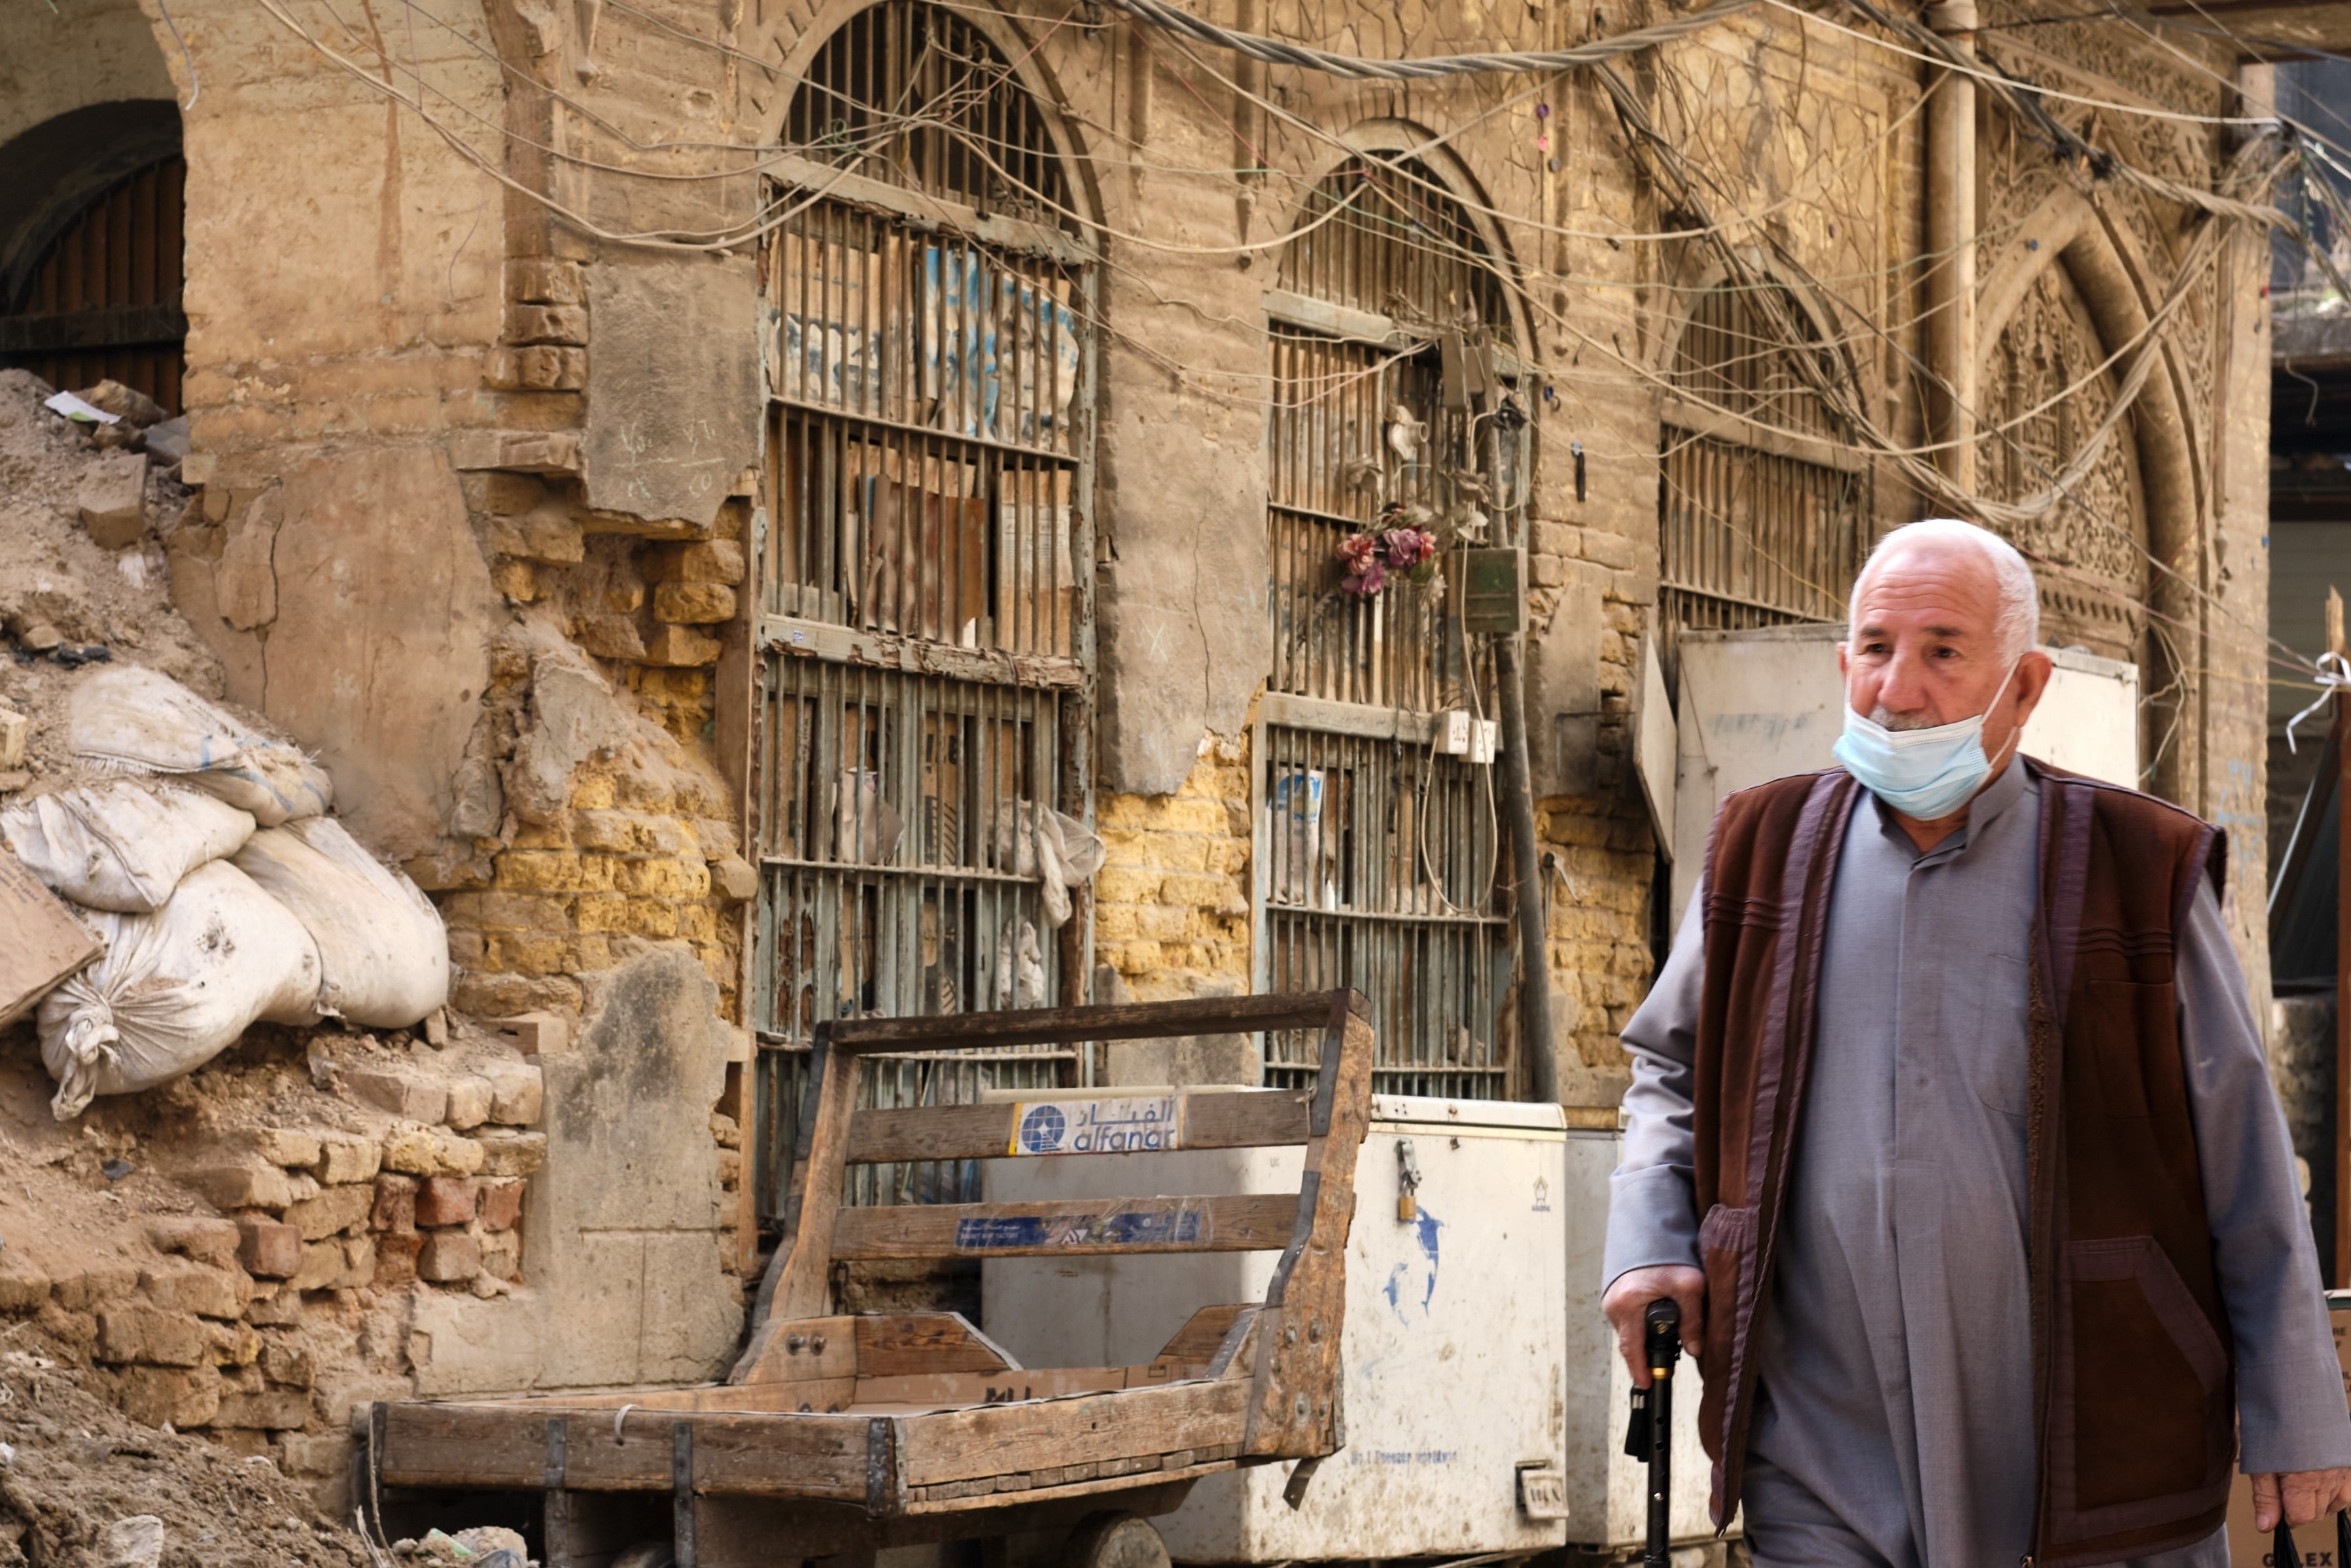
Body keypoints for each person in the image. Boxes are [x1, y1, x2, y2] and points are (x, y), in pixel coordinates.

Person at [1602, 519, 2351, 1567]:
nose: (1898, 688)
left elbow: (2242, 1154)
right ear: (1842, 664)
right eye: (1873, 648)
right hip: (1823, 1442)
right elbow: (1668, 1069)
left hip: (2091, 1443)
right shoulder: (1758, 855)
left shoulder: (2134, 868)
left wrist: (2297, 1414)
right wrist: (1646, 1242)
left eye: (1943, 651)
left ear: (2026, 684)